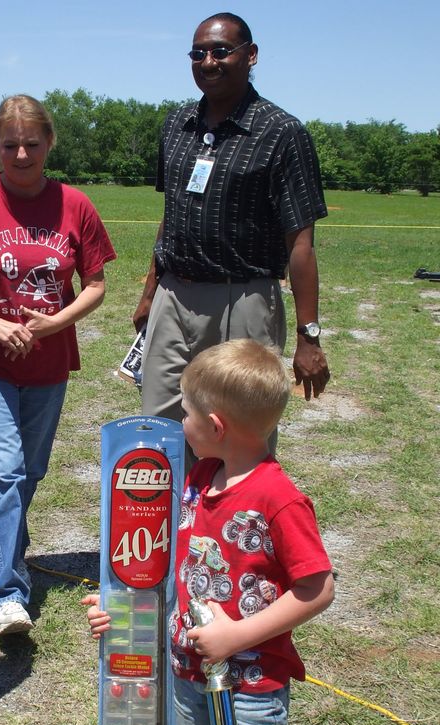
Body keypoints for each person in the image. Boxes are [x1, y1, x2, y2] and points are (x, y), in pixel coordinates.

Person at [84, 339, 335, 725]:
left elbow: (318, 589)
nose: (182, 423)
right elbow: (173, 564)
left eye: (187, 414)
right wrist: (120, 604)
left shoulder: (279, 500)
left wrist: (236, 637)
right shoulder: (199, 480)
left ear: (215, 426)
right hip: (188, 674)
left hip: (250, 689)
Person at [0, 95, 116, 636]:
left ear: (49, 144)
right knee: (4, 472)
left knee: (28, 472)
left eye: (32, 144)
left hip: (48, 360)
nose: (21, 153)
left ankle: (9, 541)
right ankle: (9, 594)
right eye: (9, 144)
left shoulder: (74, 204)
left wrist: (56, 322)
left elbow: (97, 284)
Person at [133, 12, 330, 470]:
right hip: (174, 295)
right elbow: (172, 217)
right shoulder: (177, 124)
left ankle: (232, 537)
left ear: (251, 55)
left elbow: (301, 242)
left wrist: (309, 336)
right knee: (161, 429)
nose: (208, 61)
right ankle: (171, 537)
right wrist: (150, 292)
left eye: (221, 51)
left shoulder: (282, 133)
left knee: (239, 432)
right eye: (198, 52)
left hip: (243, 298)